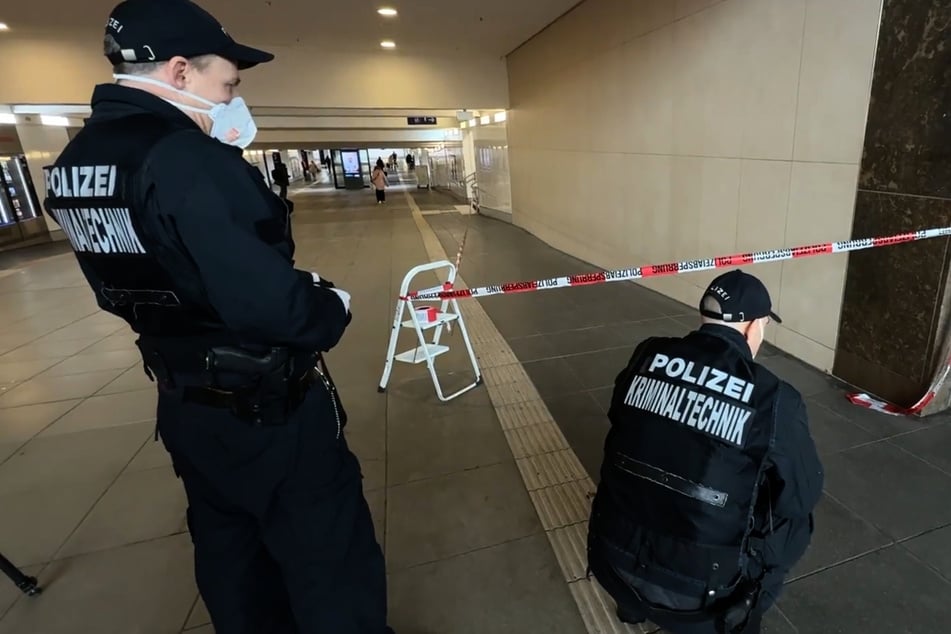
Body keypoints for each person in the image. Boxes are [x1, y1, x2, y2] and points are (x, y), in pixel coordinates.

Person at [40, 1, 393, 632]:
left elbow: (148, 277)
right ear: (179, 71)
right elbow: (275, 307)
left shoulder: (75, 166)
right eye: (228, 84)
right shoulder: (186, 159)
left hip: (186, 405)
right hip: (268, 411)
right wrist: (329, 306)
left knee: (234, 562)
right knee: (327, 560)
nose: (233, 97)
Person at [587, 269, 823, 634]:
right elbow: (800, 496)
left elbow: (619, 417)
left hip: (610, 556)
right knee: (796, 523)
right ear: (752, 326)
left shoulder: (647, 353)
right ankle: (740, 622)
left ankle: (631, 606)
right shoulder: (773, 398)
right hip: (699, 591)